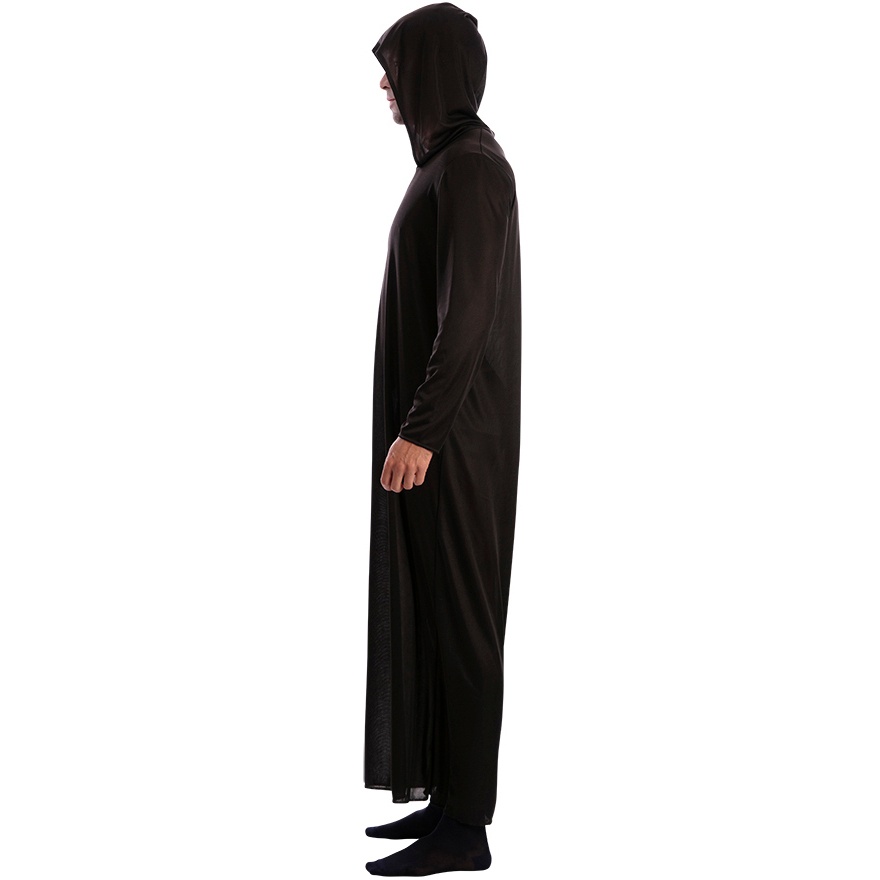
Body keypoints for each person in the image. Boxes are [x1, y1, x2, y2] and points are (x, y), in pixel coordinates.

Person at [363, 3, 521, 875]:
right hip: (437, 439)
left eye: (394, 69)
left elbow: (468, 317)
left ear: (430, 70)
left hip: (455, 442)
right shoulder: (446, 165)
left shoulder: (473, 168)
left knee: (463, 623)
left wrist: (420, 432)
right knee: (433, 614)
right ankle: (445, 802)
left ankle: (468, 829)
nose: (386, 87)